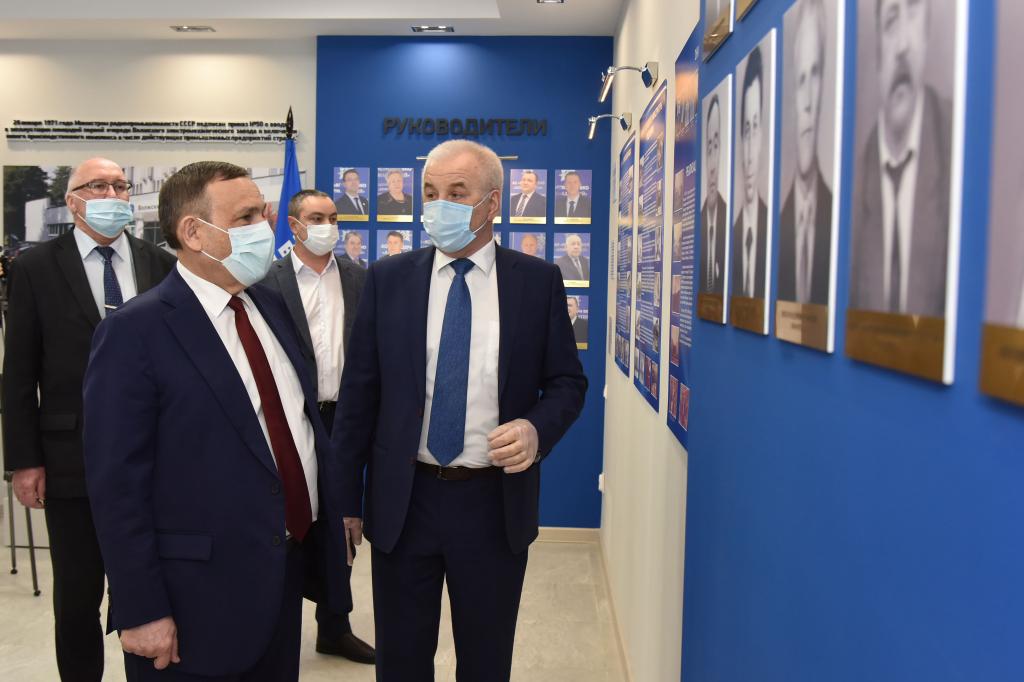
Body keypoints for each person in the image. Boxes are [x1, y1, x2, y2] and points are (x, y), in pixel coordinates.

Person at [332, 139, 586, 681]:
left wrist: (536, 429)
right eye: (430, 192)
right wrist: (345, 500)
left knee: (486, 661)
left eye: (456, 192)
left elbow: (567, 382)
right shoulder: (388, 279)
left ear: (491, 203)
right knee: (401, 662)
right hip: (405, 500)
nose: (438, 205)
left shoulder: (536, 282)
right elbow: (359, 395)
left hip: (493, 503)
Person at [82, 162, 348, 681]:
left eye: (263, 214)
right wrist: (140, 608)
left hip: (281, 575)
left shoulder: (268, 305)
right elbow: (117, 488)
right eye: (246, 217)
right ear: (193, 232)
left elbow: (294, 425)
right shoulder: (134, 332)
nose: (264, 228)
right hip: (191, 603)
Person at [1, 157, 176, 682]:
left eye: (121, 186)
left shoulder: (157, 263)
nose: (113, 195)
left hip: (153, 456)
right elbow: (19, 372)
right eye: (98, 186)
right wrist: (24, 461)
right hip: (68, 458)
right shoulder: (35, 267)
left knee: (147, 590)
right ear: (72, 200)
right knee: (77, 596)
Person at [259, 189, 374, 665]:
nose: (328, 225)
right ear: (294, 225)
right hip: (292, 417)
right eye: (316, 217)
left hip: (345, 416)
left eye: (333, 217)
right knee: (289, 521)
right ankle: (273, 628)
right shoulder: (267, 282)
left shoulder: (360, 278)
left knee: (341, 522)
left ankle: (335, 627)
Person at [849, 0, 951, 317]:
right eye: (892, 21)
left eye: (913, 12)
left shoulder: (953, 143)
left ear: (927, 31)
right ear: (878, 53)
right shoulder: (852, 182)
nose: (903, 44)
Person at [778, 0, 833, 306]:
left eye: (815, 75)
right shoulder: (773, 229)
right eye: (801, 80)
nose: (809, 101)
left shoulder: (837, 217)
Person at [732, 45, 769, 301]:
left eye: (755, 127)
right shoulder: (730, 235)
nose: (749, 152)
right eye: (746, 129)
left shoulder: (775, 229)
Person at [700, 93, 728, 296]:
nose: (711, 167)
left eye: (716, 146)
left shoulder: (731, 222)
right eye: (708, 147)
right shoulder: (698, 224)